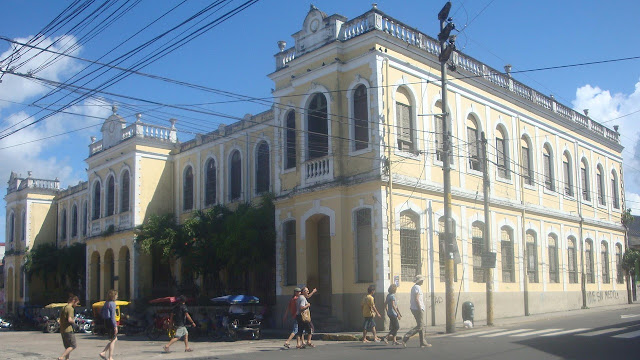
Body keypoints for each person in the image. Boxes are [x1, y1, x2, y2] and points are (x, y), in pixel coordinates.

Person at [402, 275, 431, 348]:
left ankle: (422, 342)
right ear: (420, 281)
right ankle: (406, 336)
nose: (423, 281)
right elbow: (417, 299)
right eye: (422, 280)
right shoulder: (417, 288)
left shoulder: (415, 287)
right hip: (417, 308)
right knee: (420, 326)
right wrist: (420, 308)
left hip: (415, 308)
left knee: (422, 326)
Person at [58, 294, 80, 360]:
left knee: (67, 346)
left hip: (62, 329)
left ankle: (67, 359)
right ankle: (61, 357)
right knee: (73, 345)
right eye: (76, 303)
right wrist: (75, 322)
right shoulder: (70, 308)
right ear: (73, 301)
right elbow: (69, 319)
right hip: (68, 330)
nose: (76, 305)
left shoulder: (64, 307)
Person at [99, 290, 118, 360]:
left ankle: (104, 352)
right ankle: (110, 356)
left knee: (113, 339)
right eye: (116, 295)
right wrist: (115, 326)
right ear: (114, 296)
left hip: (106, 321)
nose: (117, 297)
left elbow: (101, 312)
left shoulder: (106, 303)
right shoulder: (112, 304)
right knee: (113, 340)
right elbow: (113, 316)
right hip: (110, 322)